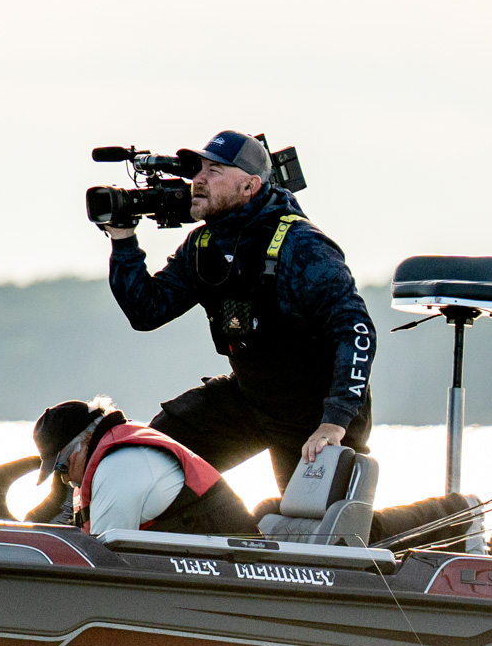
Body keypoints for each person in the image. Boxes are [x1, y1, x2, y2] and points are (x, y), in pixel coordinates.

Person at [103, 130, 375, 491]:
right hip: (251, 397)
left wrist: (335, 421)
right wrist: (123, 240)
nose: (198, 180)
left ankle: (445, 510)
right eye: (198, 170)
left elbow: (356, 331)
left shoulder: (302, 244)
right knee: (150, 455)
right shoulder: (202, 244)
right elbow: (146, 311)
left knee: (319, 522)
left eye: (214, 171)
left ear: (249, 186)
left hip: (317, 412)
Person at [31, 397, 257, 536]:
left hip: (232, 561)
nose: (64, 479)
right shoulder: (112, 458)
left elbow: (100, 560)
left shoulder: (119, 468)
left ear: (86, 440)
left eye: (62, 466)